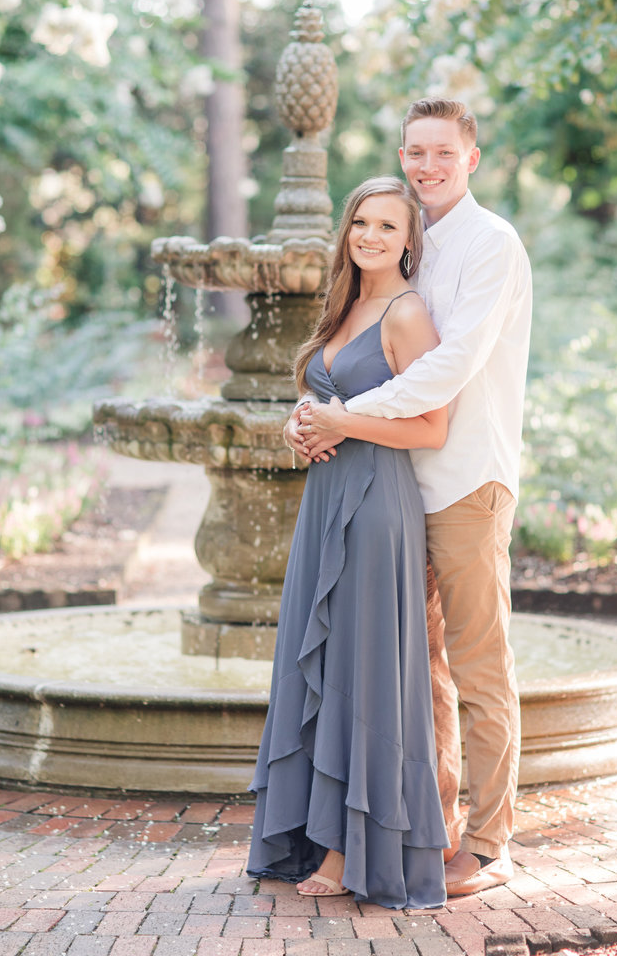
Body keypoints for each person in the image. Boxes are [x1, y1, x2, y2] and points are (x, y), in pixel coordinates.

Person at [298, 99, 533, 897]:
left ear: (471, 158)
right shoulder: (411, 242)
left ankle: (491, 844)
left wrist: (345, 417)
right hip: (399, 490)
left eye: (443, 152)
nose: (428, 166)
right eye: (416, 152)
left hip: (467, 482)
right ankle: (431, 830)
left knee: (478, 666)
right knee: (418, 671)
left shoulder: (492, 244)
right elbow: (363, 350)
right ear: (402, 158)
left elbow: (451, 365)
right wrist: (318, 416)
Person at [247, 175, 453, 910]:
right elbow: (322, 397)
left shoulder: (407, 313)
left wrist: (340, 423)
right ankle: (307, 834)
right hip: (325, 499)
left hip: (375, 505)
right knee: (319, 659)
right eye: (362, 222)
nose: (370, 236)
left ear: (409, 241)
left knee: (362, 670)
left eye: (388, 226)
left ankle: (347, 852)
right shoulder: (344, 305)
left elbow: (432, 427)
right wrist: (299, 425)